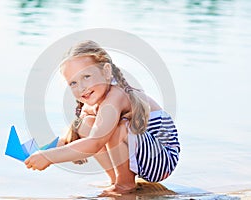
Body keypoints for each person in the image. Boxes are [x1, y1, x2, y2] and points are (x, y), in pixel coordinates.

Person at [24, 40, 180, 195]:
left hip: (162, 158)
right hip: (144, 154)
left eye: (86, 76)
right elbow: (73, 140)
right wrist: (39, 152)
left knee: (116, 127)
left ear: (106, 72)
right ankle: (116, 180)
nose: (81, 87)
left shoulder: (116, 96)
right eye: (73, 83)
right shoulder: (91, 103)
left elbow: (96, 142)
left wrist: (49, 157)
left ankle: (124, 184)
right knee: (87, 124)